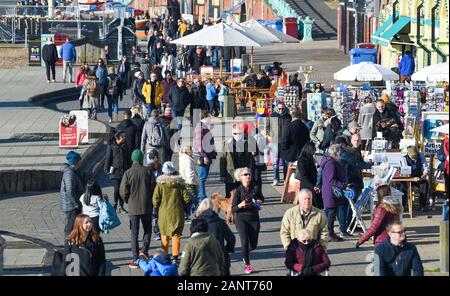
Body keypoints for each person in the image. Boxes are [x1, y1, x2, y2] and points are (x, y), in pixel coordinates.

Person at [119, 149, 154, 268]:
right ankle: (144, 250)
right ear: (141, 159)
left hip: (133, 208)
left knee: (134, 233)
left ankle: (135, 259)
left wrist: (127, 200)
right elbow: (153, 188)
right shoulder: (148, 171)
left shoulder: (128, 173)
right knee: (148, 229)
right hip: (147, 206)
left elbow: (123, 191)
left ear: (132, 159)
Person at [152, 161, 190, 263]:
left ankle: (165, 256)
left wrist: (157, 207)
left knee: (164, 235)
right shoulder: (180, 184)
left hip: (163, 213)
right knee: (176, 235)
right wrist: (184, 207)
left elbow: (155, 199)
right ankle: (175, 256)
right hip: (177, 213)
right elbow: (186, 198)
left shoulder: (160, 184)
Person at [232, 167, 264, 274]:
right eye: (245, 175)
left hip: (253, 217)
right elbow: (233, 208)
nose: (248, 176)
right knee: (244, 242)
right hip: (241, 218)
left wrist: (259, 201)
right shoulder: (238, 191)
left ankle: (245, 253)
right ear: (240, 177)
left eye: (249, 174)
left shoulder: (255, 188)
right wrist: (240, 205)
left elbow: (262, 199)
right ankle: (247, 264)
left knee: (253, 244)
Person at [195, 198, 235, 276]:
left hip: (203, 258)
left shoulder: (196, 223)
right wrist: (227, 249)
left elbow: (193, 241)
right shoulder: (220, 222)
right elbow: (231, 238)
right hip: (220, 256)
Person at [320, 144, 347, 242]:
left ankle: (329, 233)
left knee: (330, 214)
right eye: (340, 152)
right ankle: (330, 234)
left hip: (330, 191)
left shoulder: (331, 161)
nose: (341, 154)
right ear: (336, 152)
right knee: (331, 214)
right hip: (331, 192)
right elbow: (331, 181)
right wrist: (343, 185)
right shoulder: (331, 163)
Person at [220, 124, 255, 198]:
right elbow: (223, 160)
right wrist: (222, 175)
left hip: (242, 174)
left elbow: (250, 159)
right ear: (232, 133)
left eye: (239, 133)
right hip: (230, 174)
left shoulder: (246, 143)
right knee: (229, 196)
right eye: (235, 133)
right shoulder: (226, 143)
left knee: (243, 196)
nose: (237, 135)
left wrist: (249, 172)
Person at [60, 151, 84, 246]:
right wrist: (76, 204)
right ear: (76, 162)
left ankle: (72, 245)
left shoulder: (71, 172)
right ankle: (68, 248)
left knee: (72, 227)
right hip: (71, 206)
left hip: (71, 205)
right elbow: (70, 191)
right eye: (79, 160)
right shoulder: (69, 174)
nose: (81, 162)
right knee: (69, 228)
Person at [105, 131, 131, 213]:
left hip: (124, 171)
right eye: (122, 136)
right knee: (116, 189)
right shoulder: (112, 146)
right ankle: (115, 204)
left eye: (124, 136)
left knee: (122, 189)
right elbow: (108, 158)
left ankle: (121, 206)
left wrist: (129, 169)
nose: (124, 138)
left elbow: (128, 159)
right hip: (114, 172)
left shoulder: (125, 146)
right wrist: (106, 170)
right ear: (117, 138)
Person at [193, 111, 217, 201]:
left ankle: (200, 195)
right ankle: (201, 196)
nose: (211, 119)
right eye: (210, 117)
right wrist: (204, 156)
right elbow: (199, 144)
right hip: (202, 156)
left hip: (206, 154)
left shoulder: (203, 126)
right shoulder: (200, 127)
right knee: (202, 177)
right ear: (206, 117)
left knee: (203, 177)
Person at [281, 109, 311, 177]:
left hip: (290, 154)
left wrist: (283, 151)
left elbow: (285, 141)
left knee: (289, 174)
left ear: (292, 116)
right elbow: (307, 140)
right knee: (300, 174)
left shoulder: (289, 127)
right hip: (302, 154)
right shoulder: (304, 127)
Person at [269, 102, 292, 186]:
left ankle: (286, 179)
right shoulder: (273, 116)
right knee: (275, 162)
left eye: (282, 109)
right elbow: (267, 126)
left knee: (286, 162)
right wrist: (269, 135)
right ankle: (276, 179)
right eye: (279, 109)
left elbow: (291, 128)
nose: (281, 110)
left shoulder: (288, 117)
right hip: (275, 141)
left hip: (286, 142)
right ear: (276, 108)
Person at [294, 141, 322, 209]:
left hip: (312, 184)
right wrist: (312, 186)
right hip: (307, 185)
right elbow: (304, 175)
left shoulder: (310, 159)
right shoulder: (302, 160)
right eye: (313, 149)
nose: (314, 152)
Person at [403, 146, 430, 211]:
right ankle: (403, 205)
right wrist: (412, 178)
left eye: (415, 156)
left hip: (419, 177)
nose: (414, 158)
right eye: (412, 156)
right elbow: (403, 173)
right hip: (408, 177)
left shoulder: (421, 156)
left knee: (425, 184)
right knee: (402, 186)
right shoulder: (404, 159)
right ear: (408, 155)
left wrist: (424, 174)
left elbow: (426, 167)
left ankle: (422, 205)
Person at [179, 146, 199, 221]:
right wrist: (194, 182)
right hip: (190, 183)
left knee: (188, 200)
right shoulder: (188, 160)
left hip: (184, 181)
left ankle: (187, 215)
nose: (192, 152)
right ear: (187, 152)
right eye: (191, 151)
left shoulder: (182, 158)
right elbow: (190, 173)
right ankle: (190, 215)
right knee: (193, 200)